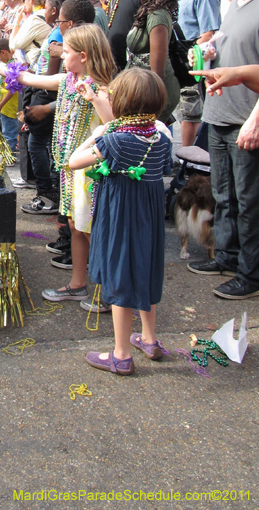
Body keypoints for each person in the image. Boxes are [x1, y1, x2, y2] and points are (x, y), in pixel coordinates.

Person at [0, 24, 115, 303]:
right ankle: (78, 283)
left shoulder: (102, 89)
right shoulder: (67, 81)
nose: (60, 56)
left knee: (93, 231)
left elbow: (114, 123)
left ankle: (110, 293)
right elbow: (30, 79)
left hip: (92, 173)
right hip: (70, 172)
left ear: (84, 56)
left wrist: (92, 97)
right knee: (76, 228)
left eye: (66, 52)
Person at [69, 68, 173, 375]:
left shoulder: (113, 141)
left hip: (120, 217)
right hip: (150, 220)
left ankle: (121, 354)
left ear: (123, 102)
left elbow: (74, 161)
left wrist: (97, 134)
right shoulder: (161, 137)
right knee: (145, 269)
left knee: (119, 274)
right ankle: (150, 340)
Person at [187, 0, 259, 300]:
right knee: (224, 195)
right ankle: (227, 257)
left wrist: (256, 119)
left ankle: (251, 273)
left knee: (249, 201)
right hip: (219, 116)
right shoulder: (231, 6)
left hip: (246, 120)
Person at [20, 0, 71, 216]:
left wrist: (37, 96)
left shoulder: (59, 35)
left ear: (55, 11)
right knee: (43, 144)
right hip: (40, 90)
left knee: (37, 144)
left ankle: (47, 194)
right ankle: (50, 191)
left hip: (46, 93)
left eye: (47, 8)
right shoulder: (55, 31)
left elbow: (51, 76)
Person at [124, 0, 180, 125]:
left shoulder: (157, 15)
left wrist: (152, 109)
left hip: (153, 94)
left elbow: (157, 73)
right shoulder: (146, 8)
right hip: (141, 89)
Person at [177, 0, 221, 147]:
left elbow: (209, 32)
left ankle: (191, 164)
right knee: (186, 112)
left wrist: (190, 54)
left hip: (195, 61)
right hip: (185, 56)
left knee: (191, 113)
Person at [8, 0, 51, 65]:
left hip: (37, 70)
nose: (24, 2)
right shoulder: (50, 14)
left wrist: (17, 21)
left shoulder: (35, 19)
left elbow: (13, 46)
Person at [0, 38, 19, 154]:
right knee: (7, 132)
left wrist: (1, 104)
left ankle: (9, 156)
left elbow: (11, 89)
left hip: (9, 106)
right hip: (7, 106)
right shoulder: (14, 64)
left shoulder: (12, 67)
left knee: (9, 133)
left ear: (4, 52)